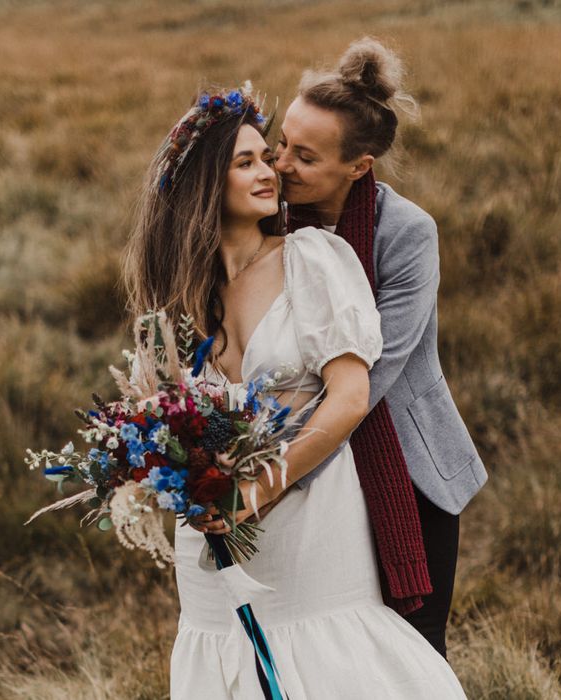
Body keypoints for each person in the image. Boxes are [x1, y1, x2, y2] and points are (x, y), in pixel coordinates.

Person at [122, 84, 466, 698]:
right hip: (210, 531)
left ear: (356, 167)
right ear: (204, 183)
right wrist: (175, 468)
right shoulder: (177, 296)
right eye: (250, 159)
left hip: (316, 513)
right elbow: (160, 408)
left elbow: (355, 394)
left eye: (278, 156)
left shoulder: (316, 257)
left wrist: (253, 492)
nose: (274, 170)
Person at [274, 37, 488, 658]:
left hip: (407, 467)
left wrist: (263, 449)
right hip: (314, 464)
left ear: (358, 166)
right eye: (280, 142)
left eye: (304, 156)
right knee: (326, 648)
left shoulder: (408, 233)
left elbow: (374, 368)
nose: (281, 164)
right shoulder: (271, 221)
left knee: (414, 649)